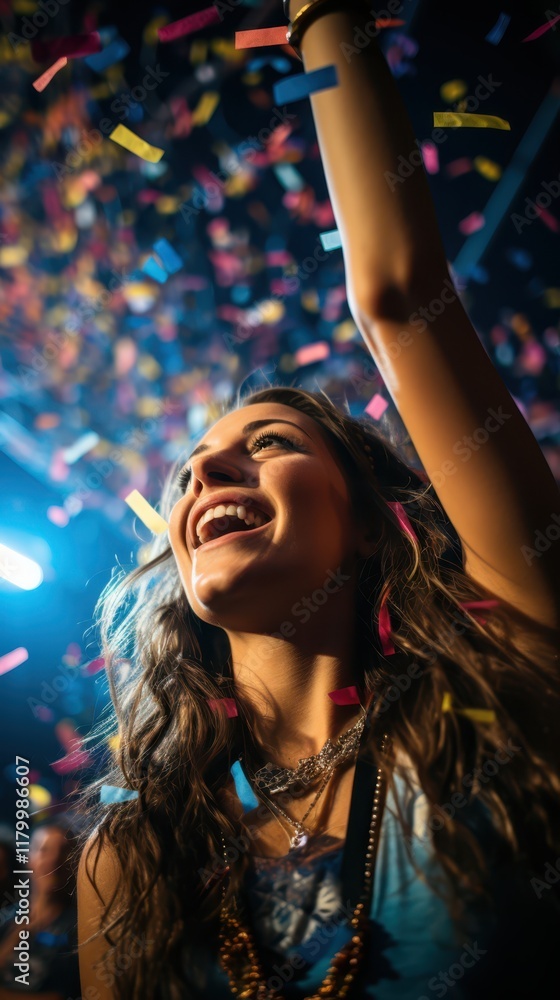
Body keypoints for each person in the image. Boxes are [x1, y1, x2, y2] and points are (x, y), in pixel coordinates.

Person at [76, 1, 560, 998]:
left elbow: (394, 295)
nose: (205, 474)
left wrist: (321, 20)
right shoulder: (129, 847)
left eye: (269, 444)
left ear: (372, 516)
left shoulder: (511, 671)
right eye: (189, 472)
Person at [0, 823, 81, 998]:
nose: (54, 859)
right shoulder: (8, 918)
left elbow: (64, 994)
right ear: (30, 859)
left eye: (64, 851)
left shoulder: (78, 927)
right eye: (44, 850)